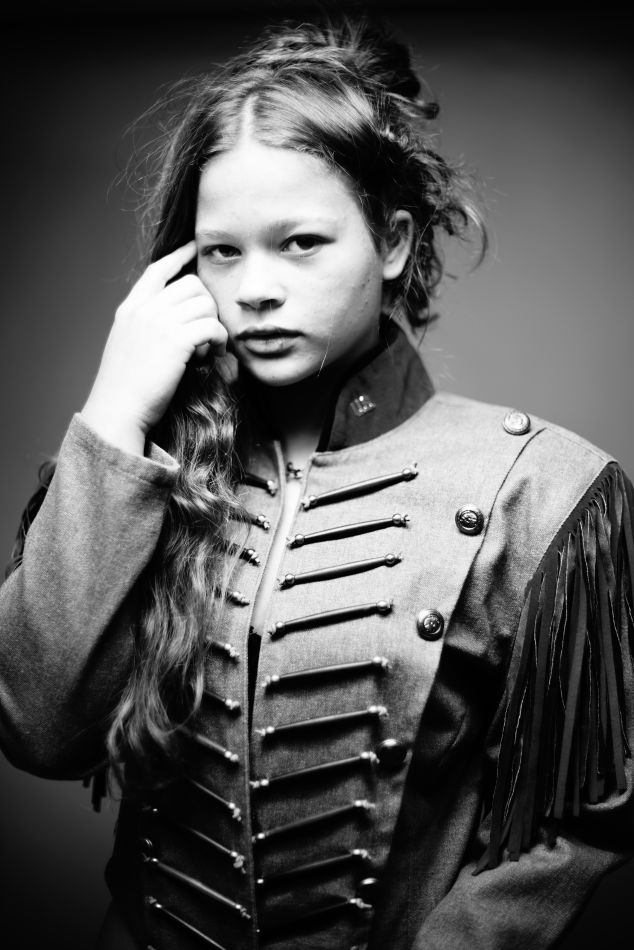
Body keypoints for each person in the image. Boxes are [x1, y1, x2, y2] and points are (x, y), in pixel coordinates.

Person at [1, 13, 633, 950]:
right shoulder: (138, 468)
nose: (255, 287)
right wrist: (112, 415)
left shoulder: (540, 487)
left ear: (393, 243)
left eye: (299, 242)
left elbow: (579, 822)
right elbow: (40, 731)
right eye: (223, 250)